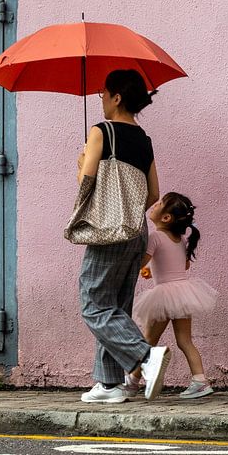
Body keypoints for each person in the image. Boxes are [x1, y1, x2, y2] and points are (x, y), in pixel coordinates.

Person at [76, 69, 171, 404]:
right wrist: (129, 214)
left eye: (103, 92)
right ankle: (109, 383)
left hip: (109, 232)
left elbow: (86, 185)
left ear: (117, 97)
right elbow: (153, 193)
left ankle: (146, 357)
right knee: (115, 306)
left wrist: (81, 163)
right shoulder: (144, 139)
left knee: (93, 303)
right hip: (135, 231)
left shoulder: (101, 132)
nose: (100, 98)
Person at [128, 192, 218, 399]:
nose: (154, 204)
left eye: (158, 203)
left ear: (166, 217)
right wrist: (154, 270)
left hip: (165, 295)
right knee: (185, 340)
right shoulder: (180, 239)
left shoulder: (156, 237)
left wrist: (135, 267)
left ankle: (132, 382)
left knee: (148, 340)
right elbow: (182, 265)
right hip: (183, 293)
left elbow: (141, 261)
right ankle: (200, 381)